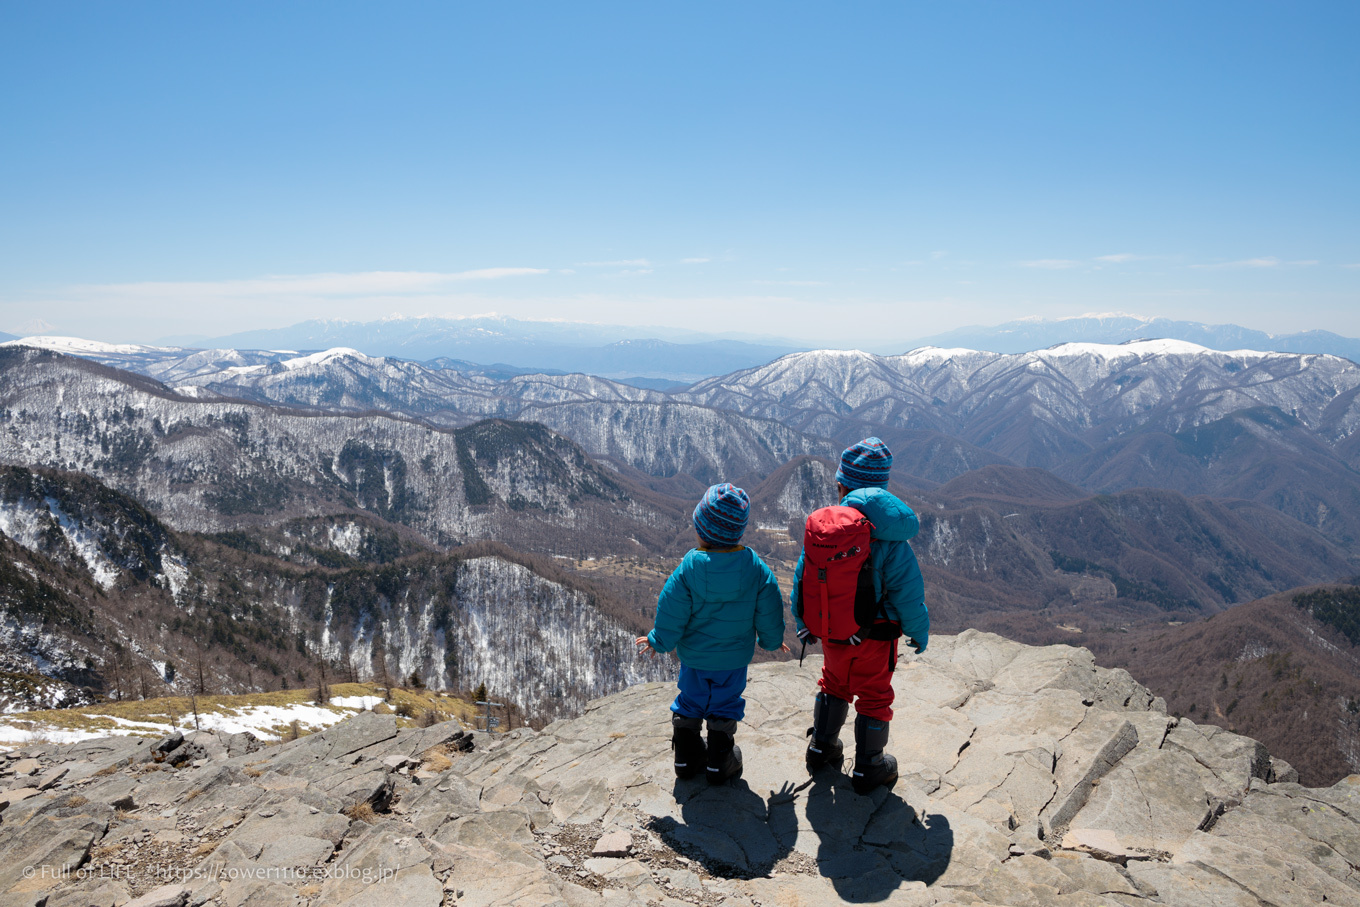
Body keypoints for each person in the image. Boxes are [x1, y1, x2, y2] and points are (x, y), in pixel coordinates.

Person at [792, 438, 928, 794]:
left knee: (833, 685)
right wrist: (919, 632)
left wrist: (803, 622)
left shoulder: (826, 532)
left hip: (834, 634)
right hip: (877, 637)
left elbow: (802, 579)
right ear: (883, 489)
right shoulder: (892, 541)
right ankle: (870, 766)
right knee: (874, 695)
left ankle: (821, 747)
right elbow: (909, 595)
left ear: (841, 486)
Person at [637, 483, 788, 784]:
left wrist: (659, 641)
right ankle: (720, 763)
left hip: (694, 657)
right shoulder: (756, 569)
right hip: (733, 660)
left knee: (690, 701)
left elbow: (671, 609)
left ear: (700, 529)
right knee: (725, 704)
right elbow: (770, 608)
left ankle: (685, 758)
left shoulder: (689, 568)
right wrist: (771, 641)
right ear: (739, 531)